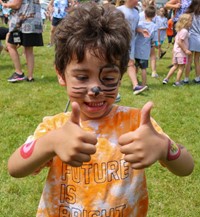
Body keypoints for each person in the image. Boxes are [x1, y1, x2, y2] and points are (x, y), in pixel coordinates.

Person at [7, 3, 194, 217]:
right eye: (82, 77)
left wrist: (164, 147)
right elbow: (15, 167)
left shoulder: (136, 124)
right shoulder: (57, 127)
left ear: (121, 75)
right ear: (61, 74)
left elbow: (186, 167)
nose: (95, 89)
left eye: (108, 78)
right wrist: (51, 143)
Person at [0, 0, 44, 82]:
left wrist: (5, 4)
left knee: (10, 45)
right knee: (29, 50)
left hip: (21, 22)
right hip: (33, 22)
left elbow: (16, 5)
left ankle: (18, 72)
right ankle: (30, 77)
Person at [117, 0, 148, 95]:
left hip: (131, 43)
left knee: (130, 63)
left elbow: (135, 27)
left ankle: (135, 86)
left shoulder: (136, 12)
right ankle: (115, 84)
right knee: (118, 64)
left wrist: (142, 31)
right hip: (120, 41)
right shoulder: (119, 10)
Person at [163, 13, 192, 86]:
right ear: (186, 22)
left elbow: (176, 40)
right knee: (181, 67)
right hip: (181, 52)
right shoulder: (184, 31)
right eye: (190, 21)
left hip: (176, 51)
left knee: (175, 66)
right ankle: (177, 82)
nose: (191, 23)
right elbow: (180, 42)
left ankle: (166, 79)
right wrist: (186, 50)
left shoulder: (179, 30)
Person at [134, 5, 158, 89]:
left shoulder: (139, 24)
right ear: (154, 15)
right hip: (145, 50)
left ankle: (135, 82)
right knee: (143, 68)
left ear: (144, 14)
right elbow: (154, 39)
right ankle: (144, 85)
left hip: (136, 48)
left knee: (135, 66)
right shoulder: (154, 26)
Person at [182, 0, 200, 84]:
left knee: (189, 60)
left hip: (192, 38)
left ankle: (186, 79)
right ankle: (197, 78)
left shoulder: (190, 15)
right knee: (197, 60)